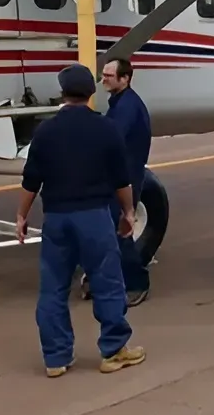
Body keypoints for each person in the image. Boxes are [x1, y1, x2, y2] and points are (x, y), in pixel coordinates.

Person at [15, 64, 147, 378]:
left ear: (62, 93)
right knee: (107, 282)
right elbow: (121, 180)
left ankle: (56, 358)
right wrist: (128, 213)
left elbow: (31, 180)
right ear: (90, 94)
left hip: (57, 218)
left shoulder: (45, 131)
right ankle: (113, 352)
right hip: (94, 217)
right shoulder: (105, 128)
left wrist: (21, 215)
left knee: (53, 288)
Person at [80, 57, 153, 306]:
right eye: (103, 75)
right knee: (105, 231)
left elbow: (113, 138)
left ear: (125, 78)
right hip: (116, 177)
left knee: (120, 232)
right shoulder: (120, 103)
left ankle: (138, 283)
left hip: (126, 179)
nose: (104, 80)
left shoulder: (127, 107)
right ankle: (103, 280)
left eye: (109, 76)